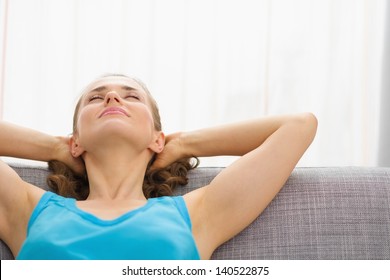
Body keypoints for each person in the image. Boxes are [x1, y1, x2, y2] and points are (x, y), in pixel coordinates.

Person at [0, 74, 317, 260]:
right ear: (76, 142)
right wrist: (54, 147)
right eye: (95, 99)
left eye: (131, 97)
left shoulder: (198, 215)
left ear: (156, 138)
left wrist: (181, 143)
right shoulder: (27, 210)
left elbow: (298, 126)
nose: (112, 96)